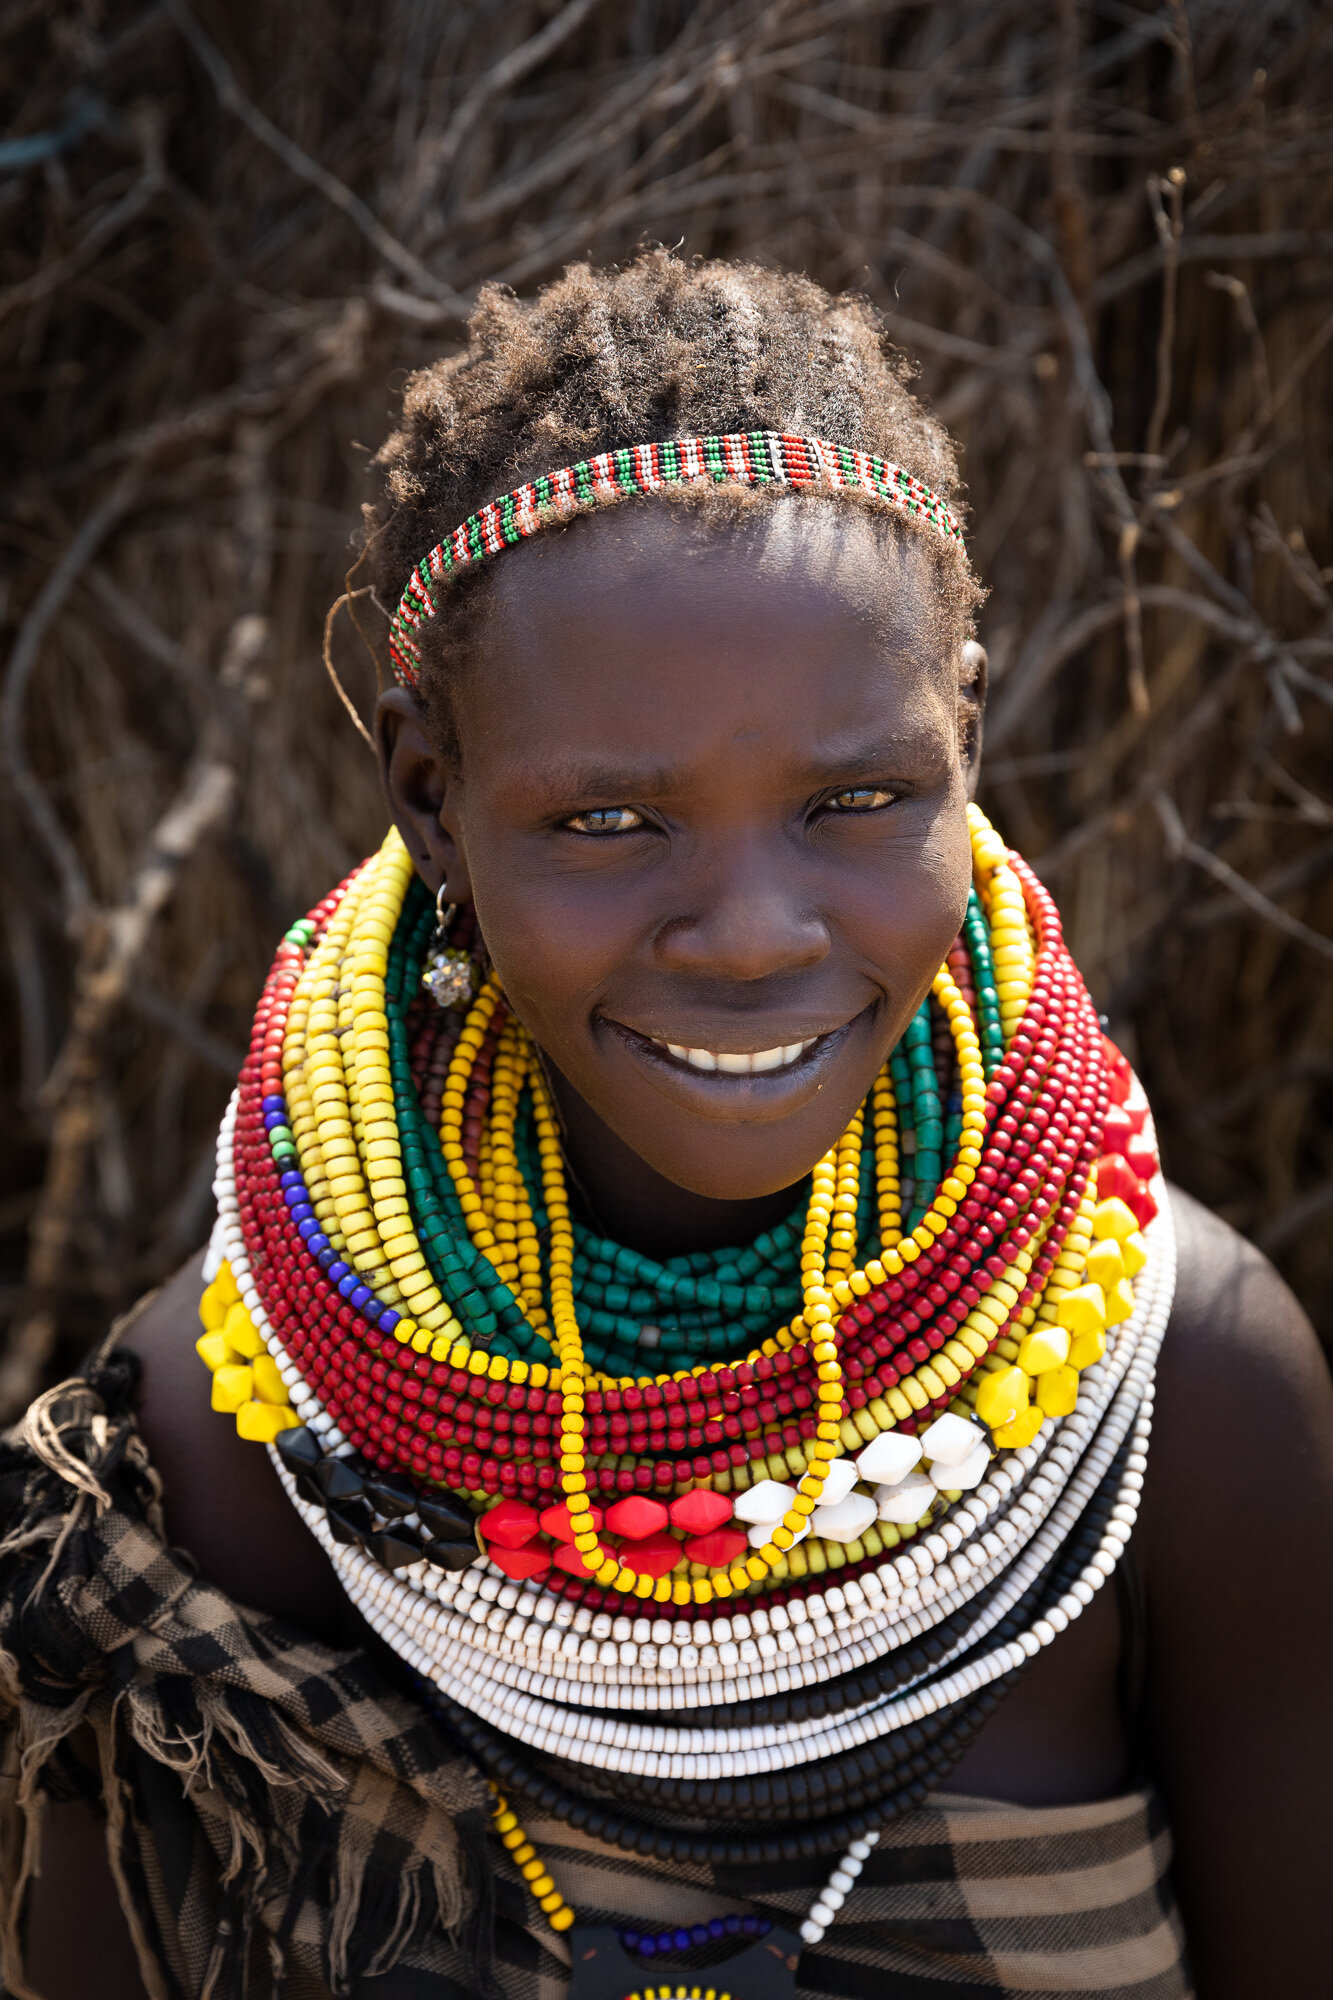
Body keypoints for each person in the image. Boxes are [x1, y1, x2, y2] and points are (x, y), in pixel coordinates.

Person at [5, 254, 1331, 2000]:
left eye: (857, 800)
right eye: (611, 820)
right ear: (431, 797)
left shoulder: (1185, 1396)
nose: (755, 931)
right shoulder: (229, 1440)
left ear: (967, 746)